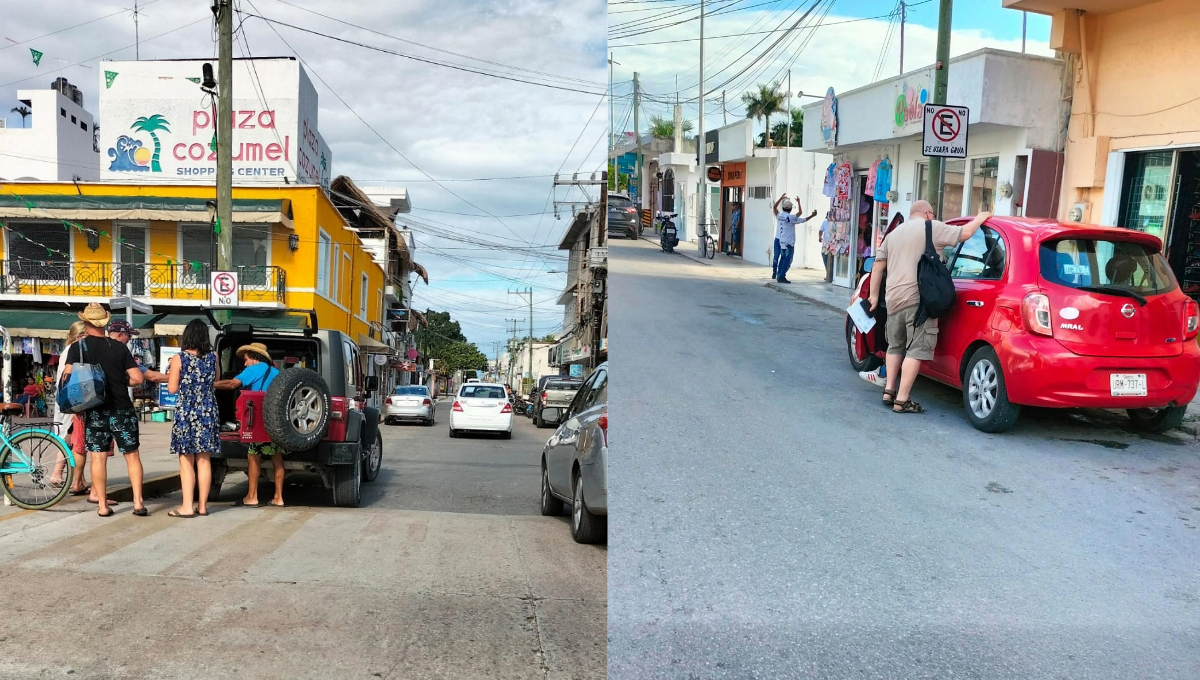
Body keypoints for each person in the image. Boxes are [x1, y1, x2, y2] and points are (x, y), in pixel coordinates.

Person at [868, 201, 991, 414]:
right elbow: (965, 233)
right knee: (915, 349)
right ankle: (902, 400)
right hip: (919, 300)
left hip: (893, 299)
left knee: (895, 346)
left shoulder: (893, 235)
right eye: (933, 214)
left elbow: (878, 266)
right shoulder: (931, 227)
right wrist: (981, 217)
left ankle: (889, 390)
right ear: (928, 213)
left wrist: (873, 296)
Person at [61, 303, 147, 517]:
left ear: (85, 322)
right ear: (105, 323)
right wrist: (119, 380)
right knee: (132, 455)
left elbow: (67, 378)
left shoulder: (78, 348)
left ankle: (102, 506)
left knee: (98, 458)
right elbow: (137, 378)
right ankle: (138, 503)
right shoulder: (118, 347)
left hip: (95, 408)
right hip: (122, 409)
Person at [215, 342, 284, 508]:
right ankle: (278, 497)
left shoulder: (253, 369)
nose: (245, 363)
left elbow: (232, 384)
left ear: (254, 357)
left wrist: (209, 384)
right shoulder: (277, 372)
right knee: (277, 458)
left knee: (253, 456)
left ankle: (252, 496)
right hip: (276, 421)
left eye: (246, 359)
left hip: (258, 420)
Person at [166, 319, 218, 518]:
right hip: (208, 410)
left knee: (186, 460)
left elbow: (171, 388)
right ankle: (203, 506)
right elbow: (215, 380)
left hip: (187, 412)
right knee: (204, 460)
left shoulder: (180, 358)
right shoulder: (213, 357)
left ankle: (187, 506)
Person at [771, 193, 818, 284]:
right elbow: (802, 217)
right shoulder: (791, 218)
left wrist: (780, 199)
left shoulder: (779, 215)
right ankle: (781, 276)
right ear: (790, 208)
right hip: (789, 242)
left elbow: (774, 208)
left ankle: (778, 274)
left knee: (782, 258)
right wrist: (812, 215)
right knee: (788, 260)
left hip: (782, 240)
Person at [819, 210, 835, 283]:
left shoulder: (835, 223)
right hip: (825, 244)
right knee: (824, 256)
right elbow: (821, 230)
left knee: (832, 259)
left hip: (833, 244)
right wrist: (820, 237)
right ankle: (828, 273)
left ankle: (831, 275)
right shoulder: (825, 222)